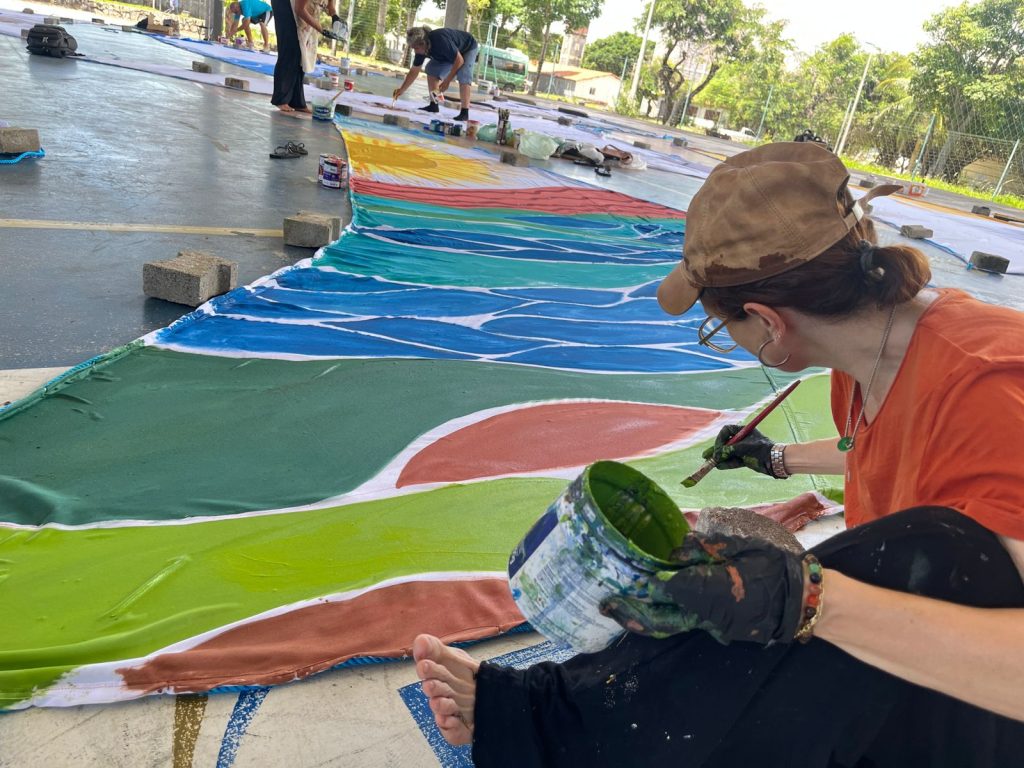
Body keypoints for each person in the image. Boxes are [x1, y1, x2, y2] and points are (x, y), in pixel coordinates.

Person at [413, 142, 1024, 766]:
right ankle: (551, 707)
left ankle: (548, 726)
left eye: (719, 328)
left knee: (858, 583)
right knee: (735, 604)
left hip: (987, 704)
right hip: (942, 652)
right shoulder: (879, 347)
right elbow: (906, 452)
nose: (727, 340)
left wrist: (810, 599)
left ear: (767, 321)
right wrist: (776, 459)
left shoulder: (989, 387)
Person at [392, 26, 478, 122]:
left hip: (467, 48)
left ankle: (464, 112)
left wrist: (447, 81)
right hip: (450, 54)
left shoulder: (440, 40)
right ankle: (434, 105)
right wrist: (402, 89)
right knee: (431, 69)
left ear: (423, 43)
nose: (415, 51)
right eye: (413, 48)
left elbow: (459, 60)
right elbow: (414, 71)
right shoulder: (421, 50)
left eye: (416, 48)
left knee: (464, 76)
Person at [270, 0, 338, 114]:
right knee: (291, 47)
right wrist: (322, 30)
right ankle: (281, 99)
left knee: (302, 51)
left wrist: (334, 15)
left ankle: (296, 101)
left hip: (299, 4)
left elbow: (331, 4)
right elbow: (299, 9)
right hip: (285, 4)